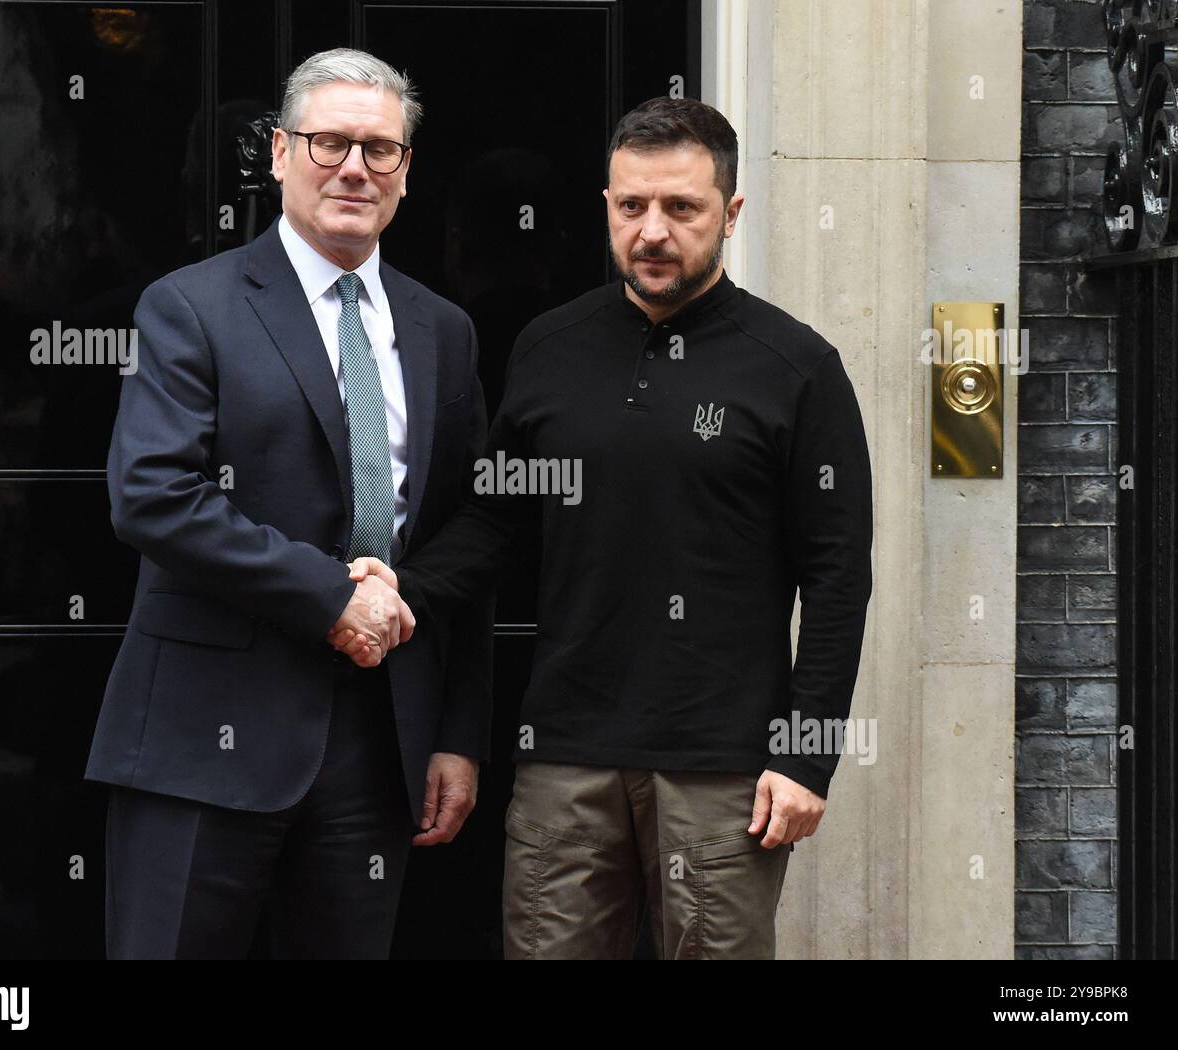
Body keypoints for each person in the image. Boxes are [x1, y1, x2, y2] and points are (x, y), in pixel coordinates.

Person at [334, 96, 874, 960]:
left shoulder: (798, 368)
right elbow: (497, 521)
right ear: (608, 208)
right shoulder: (551, 347)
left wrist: (807, 758)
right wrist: (407, 587)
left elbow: (839, 576)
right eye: (631, 207)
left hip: (723, 765)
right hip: (565, 755)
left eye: (682, 208)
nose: (653, 231)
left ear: (731, 214)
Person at [85, 47, 493, 959]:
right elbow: (152, 496)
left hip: (377, 745)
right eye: (328, 143)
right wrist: (331, 597)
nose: (354, 168)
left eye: (379, 150)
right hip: (202, 735)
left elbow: (469, 532)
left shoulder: (444, 331)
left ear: (406, 172)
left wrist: (458, 735)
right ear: (277, 154)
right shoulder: (190, 307)